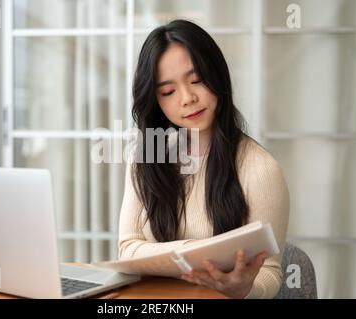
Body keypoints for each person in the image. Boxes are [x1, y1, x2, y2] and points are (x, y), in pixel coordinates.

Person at [118, 19, 289, 299]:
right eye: (168, 92)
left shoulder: (260, 169)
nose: (187, 98)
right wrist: (193, 253)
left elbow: (269, 271)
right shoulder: (144, 156)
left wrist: (245, 289)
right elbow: (127, 248)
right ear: (155, 100)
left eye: (196, 80)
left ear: (218, 77)